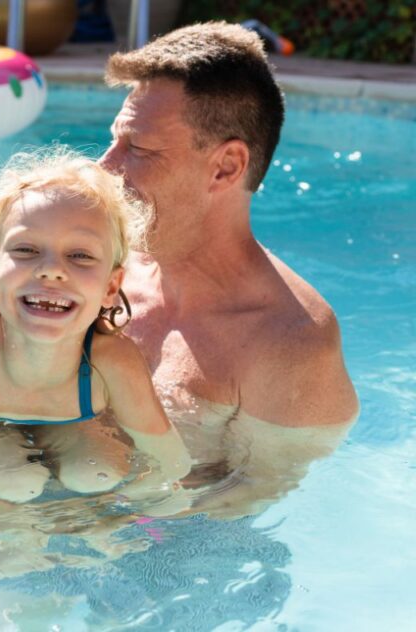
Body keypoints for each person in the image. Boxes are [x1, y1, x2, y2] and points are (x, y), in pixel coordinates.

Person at [98, 22, 360, 516]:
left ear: (225, 167)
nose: (104, 167)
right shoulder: (95, 269)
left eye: (137, 148)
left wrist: (92, 528)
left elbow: (255, 496)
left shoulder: (291, 344)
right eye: (114, 141)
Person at [0, 148, 191, 506]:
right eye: (26, 250)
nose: (52, 269)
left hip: (80, 427)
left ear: (111, 287)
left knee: (96, 475)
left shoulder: (114, 362)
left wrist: (110, 512)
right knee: (11, 485)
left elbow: (170, 459)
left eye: (80, 255)